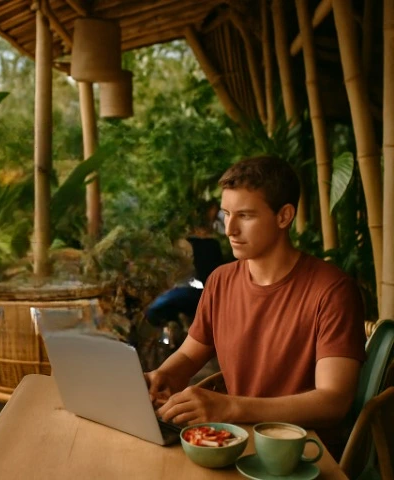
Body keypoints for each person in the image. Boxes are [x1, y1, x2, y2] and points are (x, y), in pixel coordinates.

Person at [145, 155, 366, 458]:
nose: (230, 229)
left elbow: (333, 402)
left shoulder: (332, 291)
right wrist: (162, 376)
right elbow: (189, 353)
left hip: (300, 453)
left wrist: (230, 406)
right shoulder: (221, 281)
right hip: (230, 442)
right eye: (226, 214)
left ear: (284, 216)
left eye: (245, 216)